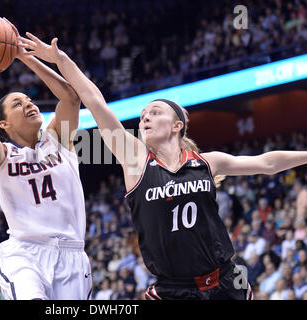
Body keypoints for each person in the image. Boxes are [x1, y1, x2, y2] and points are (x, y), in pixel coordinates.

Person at [20, 32, 307, 300]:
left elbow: (268, 163)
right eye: (143, 115)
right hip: (173, 290)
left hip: (225, 282)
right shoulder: (135, 160)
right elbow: (94, 101)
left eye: (155, 113)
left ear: (176, 125)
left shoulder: (206, 162)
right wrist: (61, 59)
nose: (145, 118)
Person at [0, 19, 91, 300]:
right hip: (25, 254)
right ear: (3, 124)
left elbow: (70, 98)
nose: (28, 103)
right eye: (17, 104)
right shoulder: (3, 157)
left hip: (73, 255)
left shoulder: (59, 141)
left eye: (28, 100)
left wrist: (22, 56)